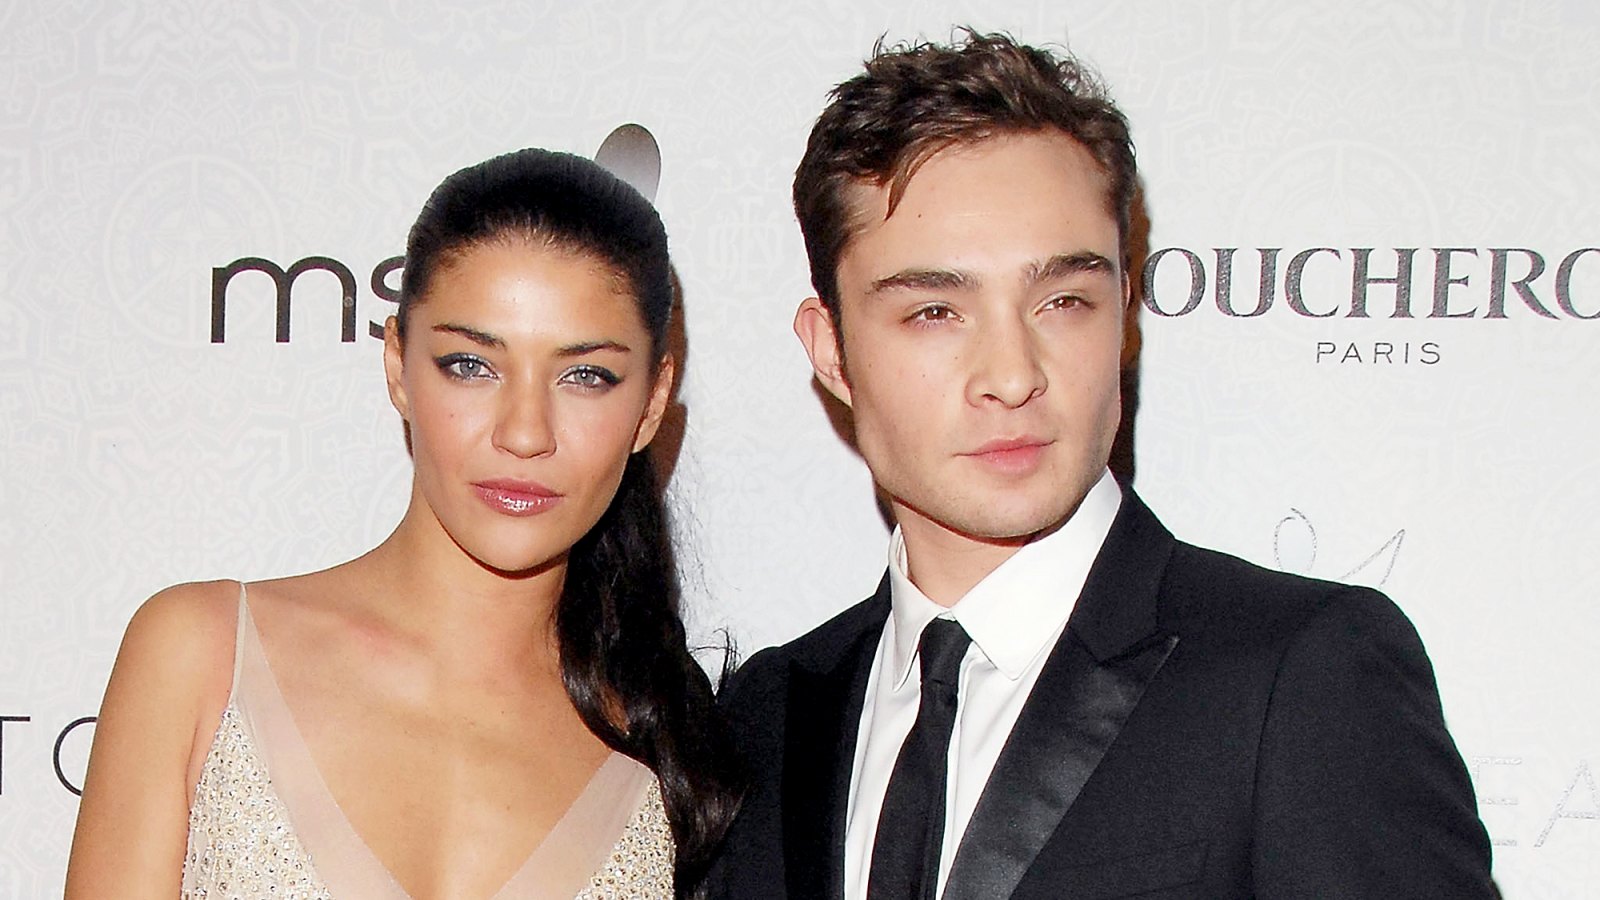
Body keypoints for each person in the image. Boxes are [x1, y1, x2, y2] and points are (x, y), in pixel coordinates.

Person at [712, 32, 1495, 899]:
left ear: (1124, 311)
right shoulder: (769, 714)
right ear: (831, 352)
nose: (1013, 375)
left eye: (1064, 301)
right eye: (936, 311)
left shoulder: (1299, 678)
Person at [65, 148, 737, 899]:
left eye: (585, 376)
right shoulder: (203, 656)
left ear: (650, 403)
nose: (524, 432)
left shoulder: (671, 748)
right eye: (471, 365)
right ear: (397, 366)